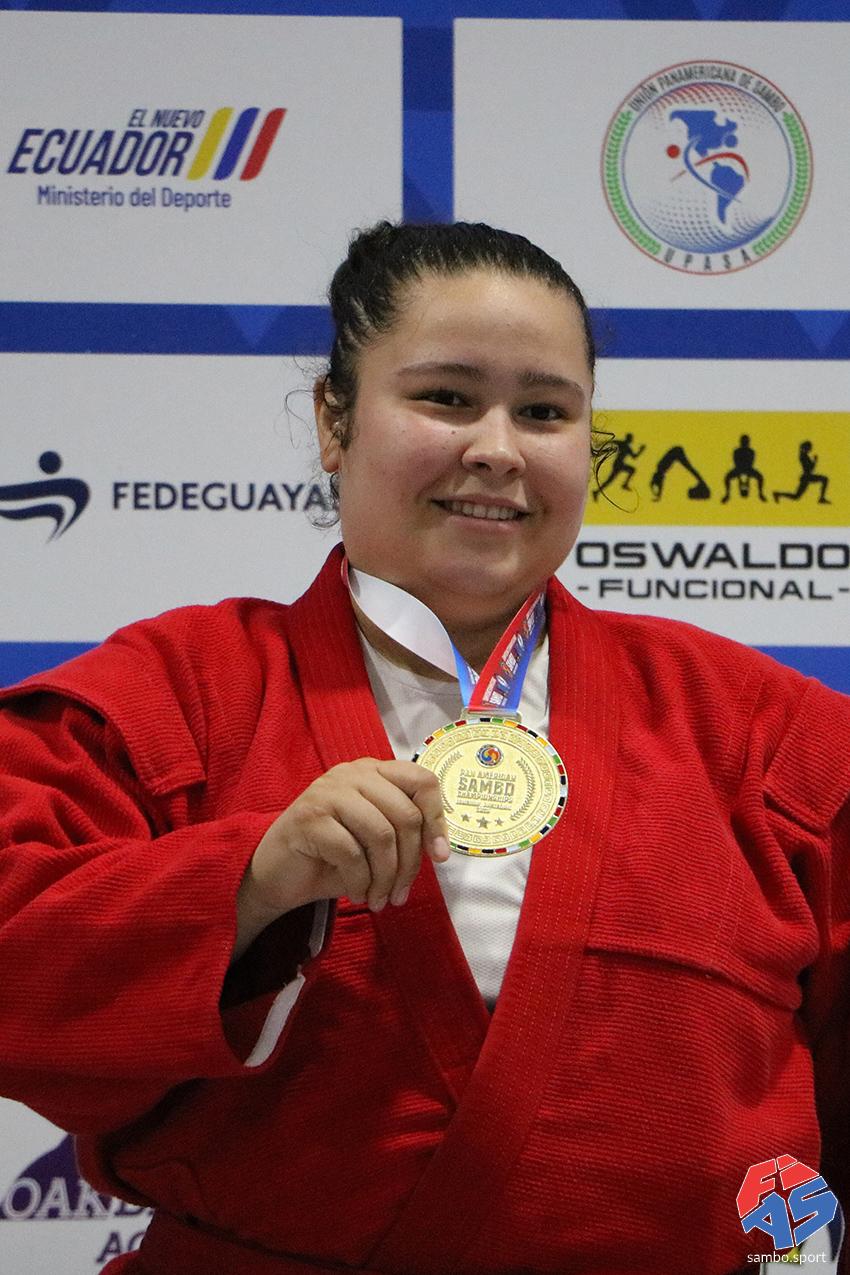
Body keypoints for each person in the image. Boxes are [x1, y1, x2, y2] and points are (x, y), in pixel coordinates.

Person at [0, 221, 848, 1275]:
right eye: (447, 397)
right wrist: (250, 881)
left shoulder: (765, 730)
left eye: (545, 411)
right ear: (334, 419)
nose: (498, 447)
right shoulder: (172, 694)